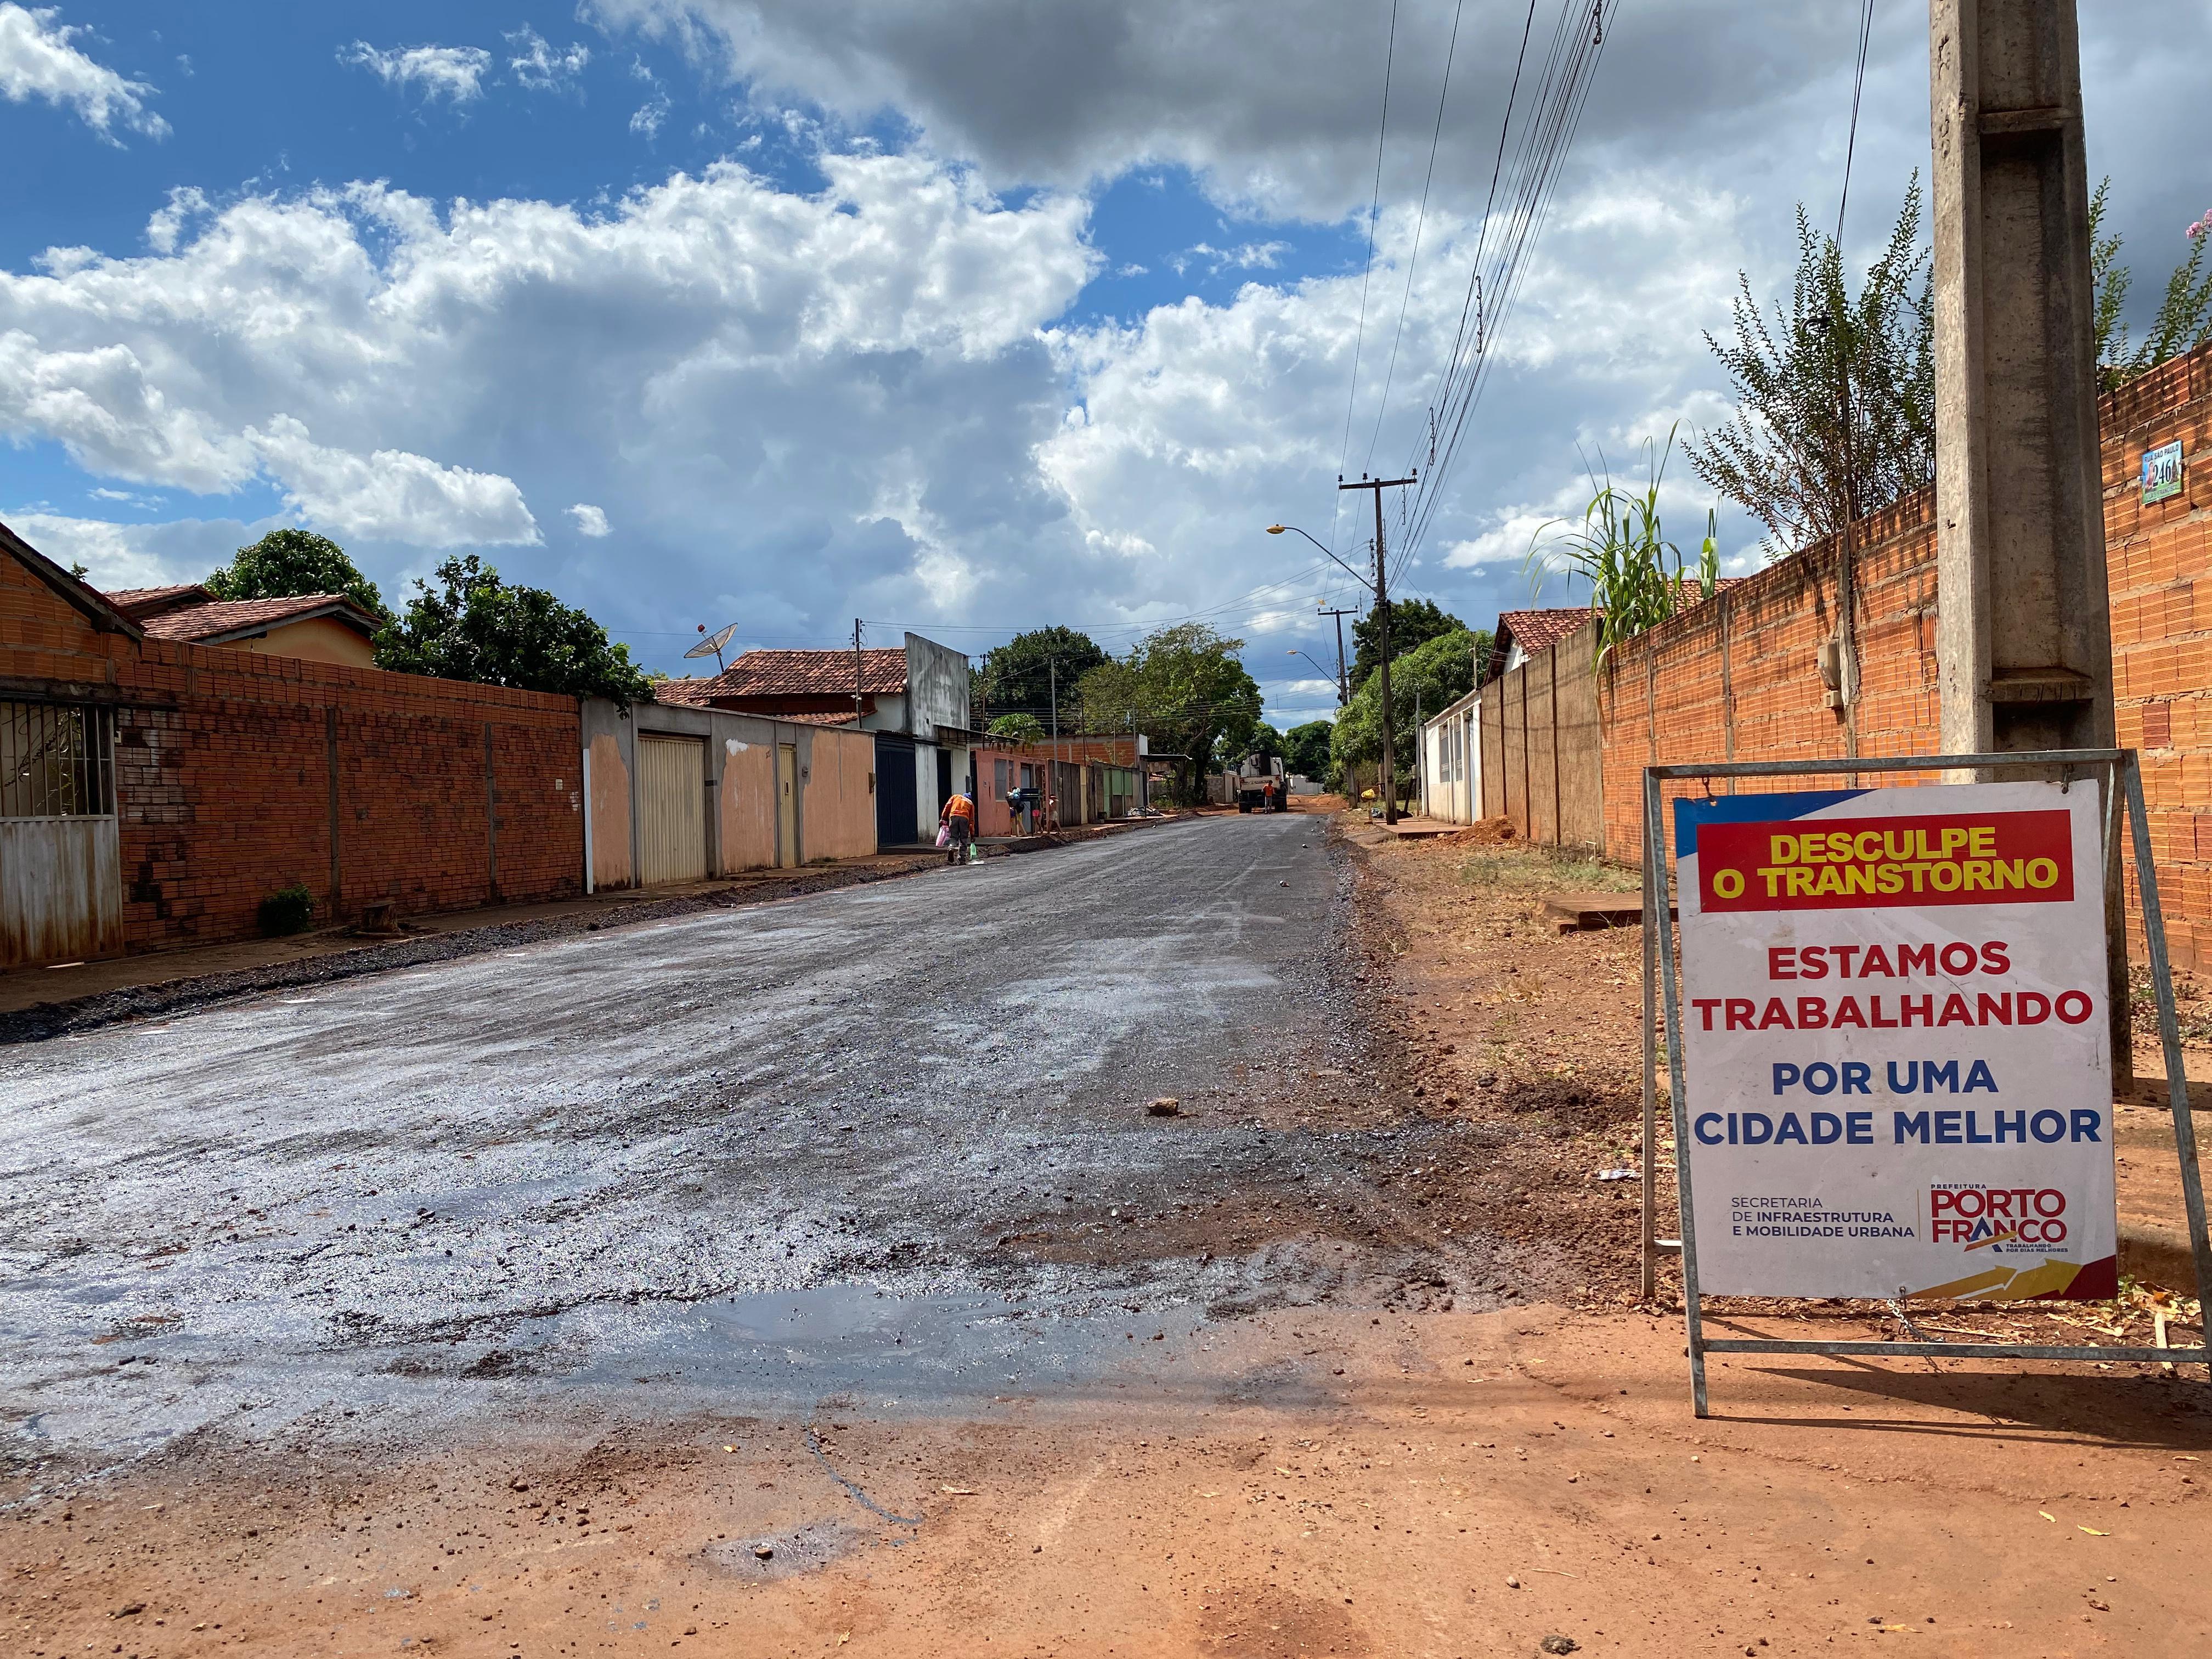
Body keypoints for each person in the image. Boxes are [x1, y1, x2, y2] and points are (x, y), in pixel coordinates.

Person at [940, 787, 975, 865]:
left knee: (954, 837)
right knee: (963, 839)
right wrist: (973, 835)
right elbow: (972, 821)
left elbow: (947, 806)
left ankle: (951, 847)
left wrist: (943, 818)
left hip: (953, 816)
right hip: (964, 818)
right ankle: (962, 859)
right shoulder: (971, 803)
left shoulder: (955, 797)